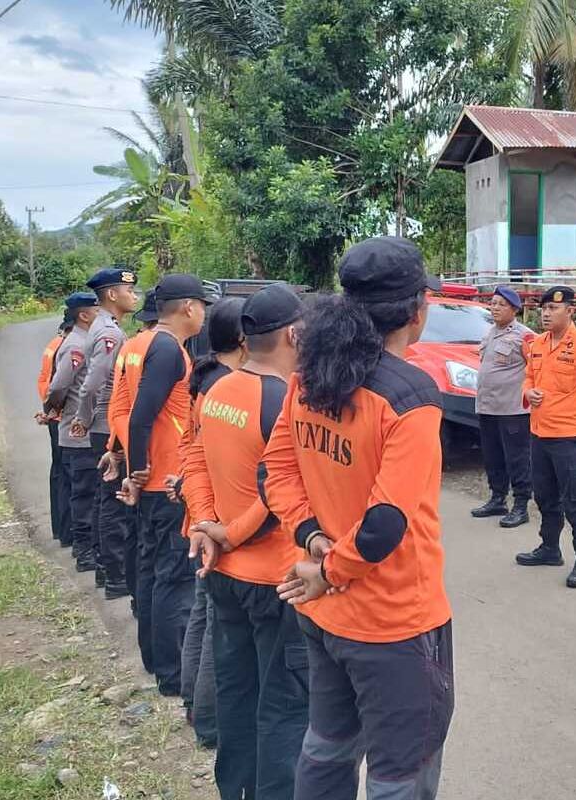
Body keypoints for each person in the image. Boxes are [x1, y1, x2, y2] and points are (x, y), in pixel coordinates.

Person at [226, 236, 451, 800]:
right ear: (416, 311)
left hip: (323, 614)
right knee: (402, 774)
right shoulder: (411, 396)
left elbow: (273, 474)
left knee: (327, 747)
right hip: (394, 624)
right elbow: (385, 524)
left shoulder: (311, 378)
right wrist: (330, 567)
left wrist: (312, 540)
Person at [186, 286, 308, 799]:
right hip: (275, 581)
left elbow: (194, 463)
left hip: (225, 578)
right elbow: (279, 493)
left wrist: (203, 525)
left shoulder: (219, 392)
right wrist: (228, 534)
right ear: (292, 334)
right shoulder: (284, 399)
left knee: (237, 699)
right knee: (283, 708)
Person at [117, 274, 209, 696]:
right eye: (202, 305)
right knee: (174, 578)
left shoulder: (138, 343)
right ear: (189, 308)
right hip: (168, 478)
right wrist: (138, 472)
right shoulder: (169, 350)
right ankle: (172, 674)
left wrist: (134, 469)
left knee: (154, 571)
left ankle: (156, 661)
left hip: (153, 478)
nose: (204, 314)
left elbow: (131, 410)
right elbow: (142, 414)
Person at [175, 297, 247, 750]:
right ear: (245, 339)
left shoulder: (205, 377)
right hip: (218, 524)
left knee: (203, 615)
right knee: (216, 624)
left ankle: (192, 703)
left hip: (202, 515)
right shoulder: (229, 386)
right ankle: (209, 722)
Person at [515, 285, 576, 589]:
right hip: (539, 432)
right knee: (545, 495)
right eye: (543, 309)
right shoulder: (537, 344)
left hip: (570, 437)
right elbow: (529, 376)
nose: (546, 314)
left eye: (553, 309)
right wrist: (526, 391)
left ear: (570, 311)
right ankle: (549, 548)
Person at [71, 267, 141, 593]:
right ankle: (115, 574)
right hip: (106, 423)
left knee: (105, 498)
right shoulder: (110, 335)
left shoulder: (104, 327)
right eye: (129, 290)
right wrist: (84, 419)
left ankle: (105, 567)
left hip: (103, 422)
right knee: (113, 499)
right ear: (112, 294)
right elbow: (92, 385)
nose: (134, 295)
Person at [43, 292, 100, 571]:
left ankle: (88, 547)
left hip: (83, 429)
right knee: (83, 493)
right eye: (95, 308)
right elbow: (57, 386)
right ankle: (83, 550)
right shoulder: (76, 346)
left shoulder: (86, 342)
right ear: (84, 315)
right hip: (77, 433)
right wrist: (52, 409)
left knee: (88, 492)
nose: (100, 312)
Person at [470, 285, 534, 528]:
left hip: (513, 409)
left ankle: (520, 505)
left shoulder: (525, 336)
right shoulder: (489, 333)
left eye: (501, 304)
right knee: (492, 455)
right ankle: (497, 499)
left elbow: (537, 369)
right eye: (493, 303)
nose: (495, 308)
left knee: (517, 458)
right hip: (487, 407)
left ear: (514, 309)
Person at [36, 310, 74, 547]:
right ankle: (68, 532)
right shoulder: (68, 348)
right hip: (62, 416)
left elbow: (44, 381)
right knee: (69, 477)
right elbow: (59, 386)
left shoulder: (54, 344)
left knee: (58, 473)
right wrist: (53, 411)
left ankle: (60, 529)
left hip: (53, 415)